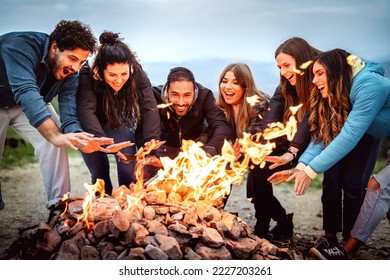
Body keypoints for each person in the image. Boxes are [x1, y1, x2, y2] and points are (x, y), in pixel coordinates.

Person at [270, 49, 388, 253]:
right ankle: (338, 241)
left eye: (320, 73)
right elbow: (322, 137)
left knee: (366, 185)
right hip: (367, 131)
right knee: (356, 185)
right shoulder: (338, 92)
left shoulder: (369, 86)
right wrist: (301, 167)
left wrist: (310, 171)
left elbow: (349, 135)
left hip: (367, 135)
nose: (314, 80)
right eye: (313, 74)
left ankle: (349, 244)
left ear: (336, 71)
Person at [0, 20, 116, 216]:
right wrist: (54, 135)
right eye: (72, 58)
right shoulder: (19, 46)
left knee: (58, 140)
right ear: (54, 48)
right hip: (18, 96)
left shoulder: (72, 73)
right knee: (54, 135)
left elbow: (69, 115)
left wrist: (79, 139)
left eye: (81, 61)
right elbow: (26, 90)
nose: (76, 67)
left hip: (24, 104)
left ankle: (59, 208)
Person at [77, 31, 161, 195]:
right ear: (101, 70)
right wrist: (101, 141)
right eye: (112, 74)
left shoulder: (138, 73)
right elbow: (86, 109)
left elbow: (149, 107)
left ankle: (128, 206)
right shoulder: (87, 73)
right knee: (99, 171)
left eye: (124, 74)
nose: (118, 80)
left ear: (130, 67)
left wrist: (151, 141)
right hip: (89, 125)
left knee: (128, 167)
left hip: (118, 120)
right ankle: (102, 208)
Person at [255, 37, 321, 239]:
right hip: (299, 137)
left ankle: (335, 238)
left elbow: (310, 114)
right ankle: (264, 228)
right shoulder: (286, 82)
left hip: (321, 136)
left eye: (287, 65)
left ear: (302, 61)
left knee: (340, 183)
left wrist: (292, 150)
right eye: (279, 67)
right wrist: (264, 142)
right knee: (258, 168)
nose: (283, 71)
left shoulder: (320, 74)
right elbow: (274, 107)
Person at [217, 62, 282, 238]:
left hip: (273, 149)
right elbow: (216, 132)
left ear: (245, 86)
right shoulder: (222, 107)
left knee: (258, 181)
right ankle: (214, 212)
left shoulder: (260, 104)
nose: (228, 87)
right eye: (224, 81)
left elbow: (257, 138)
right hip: (244, 150)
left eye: (235, 82)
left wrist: (234, 152)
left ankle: (262, 228)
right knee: (239, 181)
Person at [151, 67, 233, 182]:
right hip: (163, 149)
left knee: (220, 166)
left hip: (194, 149)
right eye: (175, 94)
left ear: (194, 92)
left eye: (187, 95)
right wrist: (150, 153)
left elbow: (221, 126)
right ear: (167, 91)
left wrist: (208, 153)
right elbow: (143, 127)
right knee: (139, 169)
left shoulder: (205, 96)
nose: (181, 102)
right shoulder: (154, 96)